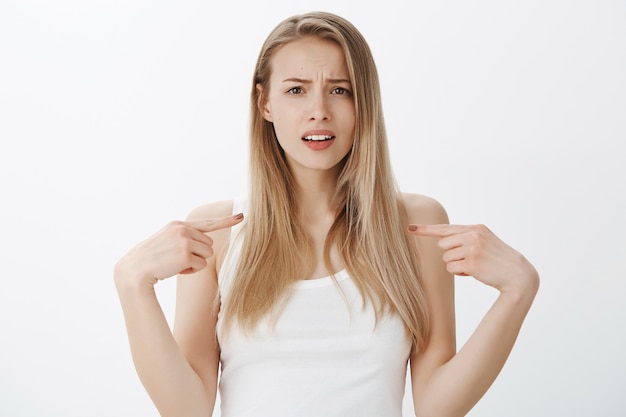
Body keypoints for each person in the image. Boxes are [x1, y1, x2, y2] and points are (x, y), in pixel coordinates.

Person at [114, 11, 539, 417]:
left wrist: (517, 291)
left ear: (363, 102)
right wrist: (133, 284)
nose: (319, 109)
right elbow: (187, 408)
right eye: (296, 90)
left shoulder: (415, 225)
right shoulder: (220, 232)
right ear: (264, 104)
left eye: (340, 89)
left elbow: (436, 406)